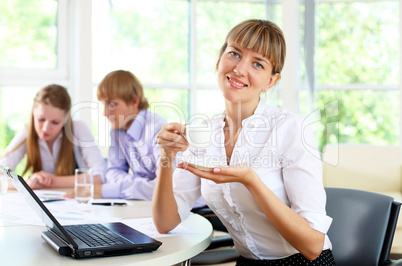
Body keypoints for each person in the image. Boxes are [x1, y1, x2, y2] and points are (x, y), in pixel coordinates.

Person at [152, 19, 335, 265]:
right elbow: (166, 222)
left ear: (271, 81)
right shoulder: (204, 132)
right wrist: (167, 156)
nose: (239, 68)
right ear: (219, 61)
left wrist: (251, 181)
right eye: (234, 54)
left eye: (257, 64)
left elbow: (312, 245)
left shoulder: (291, 128)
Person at [0, 84, 106, 189]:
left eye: (55, 122)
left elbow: (100, 176)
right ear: (33, 114)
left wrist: (51, 181)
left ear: (66, 119)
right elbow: (1, 172)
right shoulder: (27, 133)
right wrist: (27, 184)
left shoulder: (78, 129)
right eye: (41, 120)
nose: (45, 128)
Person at [95, 70, 167, 200]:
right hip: (147, 204)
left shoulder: (158, 130)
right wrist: (141, 184)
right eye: (103, 105)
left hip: (189, 209)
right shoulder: (118, 130)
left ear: (135, 101)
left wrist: (109, 190)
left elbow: (165, 189)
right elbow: (112, 173)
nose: (105, 113)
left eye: (112, 105)